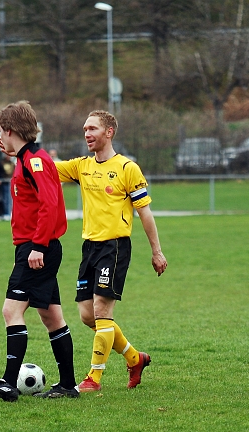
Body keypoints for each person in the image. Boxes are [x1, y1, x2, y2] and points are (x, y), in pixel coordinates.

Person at [55, 110, 168, 393]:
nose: (87, 134)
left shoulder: (128, 168)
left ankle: (94, 378)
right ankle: (134, 358)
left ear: (109, 132)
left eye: (92, 128)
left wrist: (157, 251)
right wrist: (21, 151)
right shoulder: (82, 166)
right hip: (89, 247)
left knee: (102, 311)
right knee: (86, 315)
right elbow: (46, 168)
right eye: (84, 129)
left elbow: (145, 213)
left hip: (114, 247)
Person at [0, 101, 79, 401]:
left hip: (37, 249)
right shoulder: (27, 158)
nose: (0, 137)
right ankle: (68, 385)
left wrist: (37, 246)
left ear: (9, 130)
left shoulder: (34, 160)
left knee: (11, 310)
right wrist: (14, 153)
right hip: (38, 247)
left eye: (1, 131)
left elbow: (50, 205)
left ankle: (9, 383)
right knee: (51, 316)